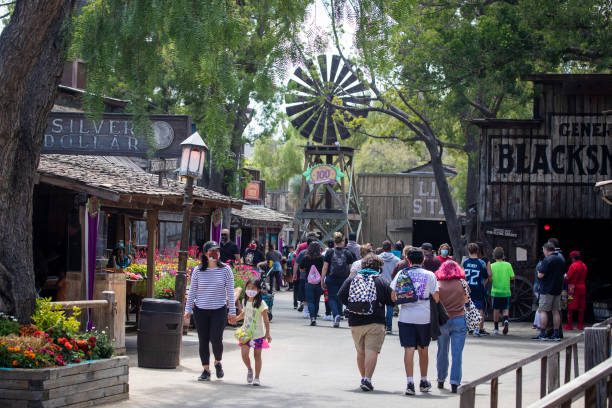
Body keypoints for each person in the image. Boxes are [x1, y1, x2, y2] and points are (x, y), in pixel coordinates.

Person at [338, 254, 394, 392]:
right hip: (376, 321)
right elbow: (391, 301)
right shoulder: (381, 281)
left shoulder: (352, 279)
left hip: (355, 321)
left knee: (360, 352)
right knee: (372, 351)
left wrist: (353, 305)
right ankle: (367, 379)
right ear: (379, 267)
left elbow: (340, 295)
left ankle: (363, 377)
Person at [184, 241, 237, 381]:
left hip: (219, 309)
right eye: (212, 251)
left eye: (217, 251)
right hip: (201, 310)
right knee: (203, 340)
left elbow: (230, 292)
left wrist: (232, 311)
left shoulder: (226, 269)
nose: (215, 254)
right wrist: (188, 309)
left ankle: (218, 362)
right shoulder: (198, 270)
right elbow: (192, 291)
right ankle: (206, 369)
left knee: (216, 339)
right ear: (206, 254)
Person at [390, 247, 439, 396]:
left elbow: (393, 296)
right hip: (424, 317)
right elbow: (436, 298)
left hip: (406, 316)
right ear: (423, 259)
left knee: (408, 349)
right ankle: (423, 381)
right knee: (423, 348)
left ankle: (410, 383)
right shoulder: (429, 275)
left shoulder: (401, 273)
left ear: (408, 261)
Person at [435, 260, 468, 393]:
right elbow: (466, 300)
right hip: (459, 319)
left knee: (442, 351)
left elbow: (435, 301)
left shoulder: (438, 285)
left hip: (443, 321)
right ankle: (454, 382)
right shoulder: (462, 284)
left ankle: (441, 379)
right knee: (457, 353)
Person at [236, 278, 272, 386]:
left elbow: (266, 320)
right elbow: (244, 313)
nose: (250, 290)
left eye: (253, 288)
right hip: (245, 333)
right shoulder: (245, 301)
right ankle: (249, 369)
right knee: (244, 354)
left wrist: (268, 333)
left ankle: (257, 377)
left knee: (257, 356)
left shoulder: (261, 304)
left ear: (259, 290)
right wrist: (236, 319)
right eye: (248, 288)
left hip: (258, 335)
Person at [321, 232, 356, 328]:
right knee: (340, 297)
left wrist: (322, 279)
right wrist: (351, 280)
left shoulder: (329, 252)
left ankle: (336, 315)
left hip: (331, 278)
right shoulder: (348, 252)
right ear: (343, 241)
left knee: (332, 297)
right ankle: (339, 314)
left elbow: (325, 267)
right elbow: (352, 268)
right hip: (344, 279)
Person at [533, 242, 566, 341]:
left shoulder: (547, 260)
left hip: (547, 289)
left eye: (543, 250)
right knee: (556, 311)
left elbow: (540, 275)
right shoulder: (560, 259)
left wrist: (539, 271)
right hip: (557, 289)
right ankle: (556, 334)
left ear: (546, 250)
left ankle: (542, 333)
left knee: (543, 311)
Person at [462, 243, 489, 336]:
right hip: (478, 287)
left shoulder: (465, 262)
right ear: (477, 251)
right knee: (479, 308)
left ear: (468, 251)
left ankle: (469, 327)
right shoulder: (481, 263)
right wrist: (483, 286)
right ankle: (479, 328)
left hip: (467, 288)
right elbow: (486, 277)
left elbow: (462, 276)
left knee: (467, 306)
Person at [299, 242, 325, 326]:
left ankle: (312, 318)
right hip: (319, 282)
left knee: (310, 301)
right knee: (316, 301)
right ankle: (315, 317)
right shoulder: (322, 258)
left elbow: (301, 268)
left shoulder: (306, 258)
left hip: (309, 282)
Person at [490, 247, 514, 335]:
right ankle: (506, 321)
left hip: (495, 291)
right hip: (505, 291)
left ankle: (496, 328)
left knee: (496, 309)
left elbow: (490, 278)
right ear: (503, 255)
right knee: (505, 308)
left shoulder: (492, 266)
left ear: (494, 256)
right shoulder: (508, 265)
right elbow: (512, 277)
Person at [380, 240, 400, 334]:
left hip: (380, 284)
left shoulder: (378, 258)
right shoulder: (396, 259)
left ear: (382, 248)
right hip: (391, 285)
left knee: (380, 306)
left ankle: (381, 326)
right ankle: (389, 326)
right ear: (391, 248)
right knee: (390, 307)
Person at [564, 251, 587, 331]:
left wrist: (564, 276)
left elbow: (568, 278)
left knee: (570, 307)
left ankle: (569, 325)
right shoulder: (584, 265)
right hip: (582, 288)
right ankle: (580, 325)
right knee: (581, 307)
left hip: (572, 288)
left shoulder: (573, 266)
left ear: (573, 258)